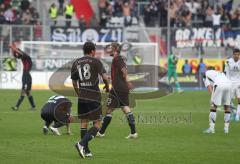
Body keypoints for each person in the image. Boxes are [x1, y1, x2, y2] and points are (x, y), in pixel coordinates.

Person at [71, 41, 109, 158]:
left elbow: (74, 82)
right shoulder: (96, 61)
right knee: (98, 124)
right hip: (93, 96)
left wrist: (79, 93)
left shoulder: (76, 62)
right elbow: (105, 77)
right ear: (92, 51)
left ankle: (86, 150)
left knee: (84, 123)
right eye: (95, 50)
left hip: (82, 96)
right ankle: (81, 143)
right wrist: (107, 86)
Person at [97, 42, 138, 139]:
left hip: (117, 88)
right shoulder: (119, 58)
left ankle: (101, 132)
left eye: (110, 48)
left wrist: (128, 82)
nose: (108, 49)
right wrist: (112, 79)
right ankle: (133, 133)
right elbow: (121, 72)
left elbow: (124, 70)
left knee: (109, 110)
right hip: (121, 87)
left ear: (115, 49)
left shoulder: (117, 58)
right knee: (125, 108)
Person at [203, 68, 232, 134]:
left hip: (219, 84)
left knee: (213, 106)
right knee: (227, 106)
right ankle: (226, 129)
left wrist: (212, 98)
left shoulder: (205, 74)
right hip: (229, 84)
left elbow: (209, 87)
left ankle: (211, 129)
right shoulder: (219, 72)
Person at [9, 43, 36, 111]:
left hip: (26, 76)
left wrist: (13, 48)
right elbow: (16, 55)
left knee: (24, 91)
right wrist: (13, 50)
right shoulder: (22, 56)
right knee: (27, 92)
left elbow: (19, 54)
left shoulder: (25, 56)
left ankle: (16, 107)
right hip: (27, 76)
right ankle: (33, 107)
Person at [224, 48, 240, 121]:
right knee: (227, 100)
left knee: (239, 99)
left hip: (239, 83)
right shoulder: (228, 62)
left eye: (238, 54)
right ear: (233, 55)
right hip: (230, 83)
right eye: (235, 54)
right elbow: (226, 73)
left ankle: (237, 116)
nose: (236, 56)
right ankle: (234, 112)